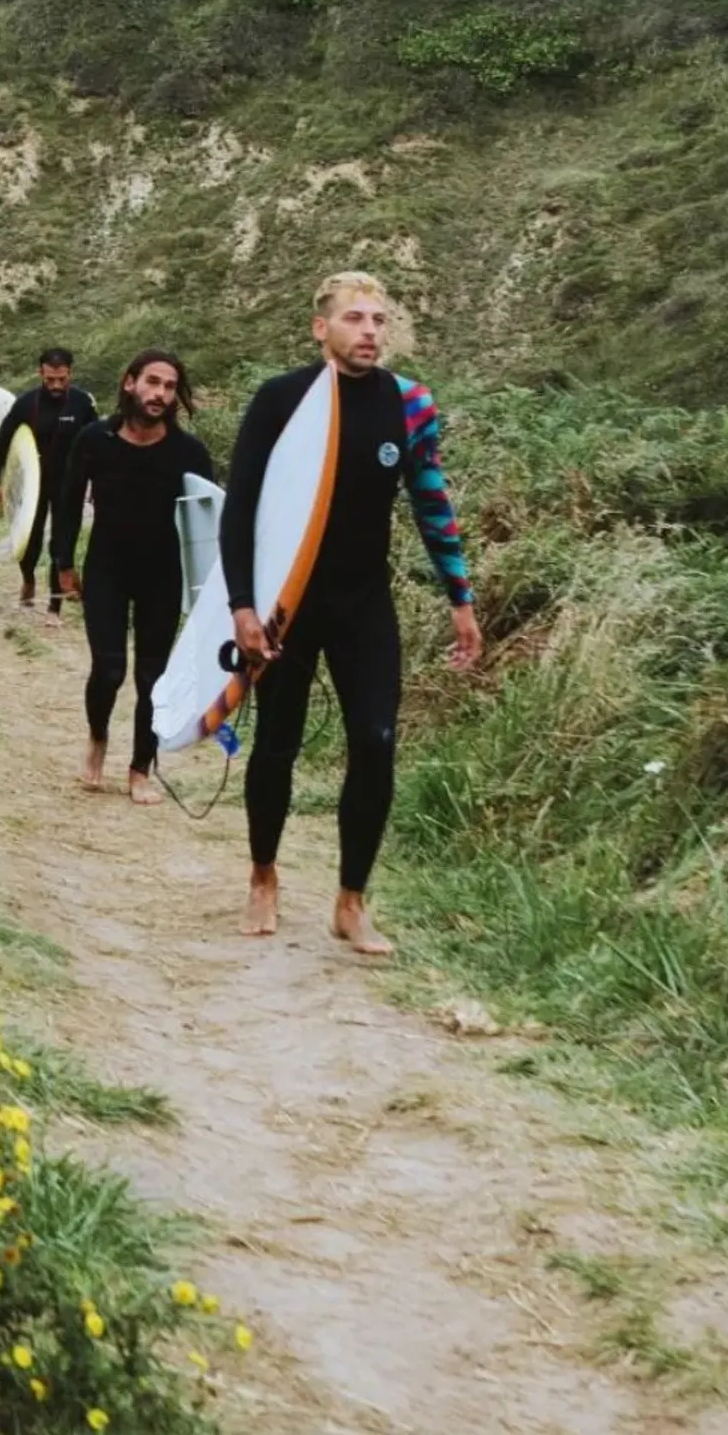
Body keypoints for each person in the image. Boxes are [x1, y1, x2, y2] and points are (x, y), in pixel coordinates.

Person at [218, 271, 483, 958]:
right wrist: (243, 606)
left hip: (365, 601)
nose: (371, 331)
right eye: (356, 318)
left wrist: (461, 599)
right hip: (290, 604)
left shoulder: (409, 404)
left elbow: (431, 503)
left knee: (376, 741)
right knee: (277, 740)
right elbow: (239, 506)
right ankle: (263, 876)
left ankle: (351, 901)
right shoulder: (282, 400)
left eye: (379, 320)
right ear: (321, 328)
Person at [45, 350, 212, 800]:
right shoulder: (94, 440)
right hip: (106, 569)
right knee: (109, 668)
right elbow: (66, 501)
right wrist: (63, 563)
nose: (160, 394)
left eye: (170, 386)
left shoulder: (188, 453)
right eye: (153, 382)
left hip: (162, 574)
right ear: (129, 383)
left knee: (152, 677)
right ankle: (98, 737)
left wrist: (212, 594)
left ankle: (141, 769)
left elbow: (208, 527)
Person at [0, 347, 100, 611]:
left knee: (62, 544)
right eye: (50, 379)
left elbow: (96, 445)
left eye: (62, 379)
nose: (56, 385)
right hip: (33, 484)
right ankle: (28, 578)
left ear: (70, 373)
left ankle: (54, 607)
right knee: (30, 541)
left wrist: (97, 480)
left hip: (69, 483)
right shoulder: (27, 403)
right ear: (40, 373)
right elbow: (5, 439)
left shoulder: (82, 403)